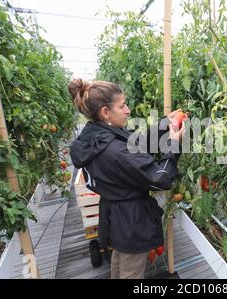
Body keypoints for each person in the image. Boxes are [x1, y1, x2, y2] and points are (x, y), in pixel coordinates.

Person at [68, 79, 185, 279]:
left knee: (119, 264)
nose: (128, 110)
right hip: (131, 222)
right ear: (105, 112)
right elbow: (160, 179)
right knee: (131, 272)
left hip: (114, 217)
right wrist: (174, 145)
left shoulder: (95, 135)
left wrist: (165, 124)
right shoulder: (116, 151)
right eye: (122, 106)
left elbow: (135, 144)